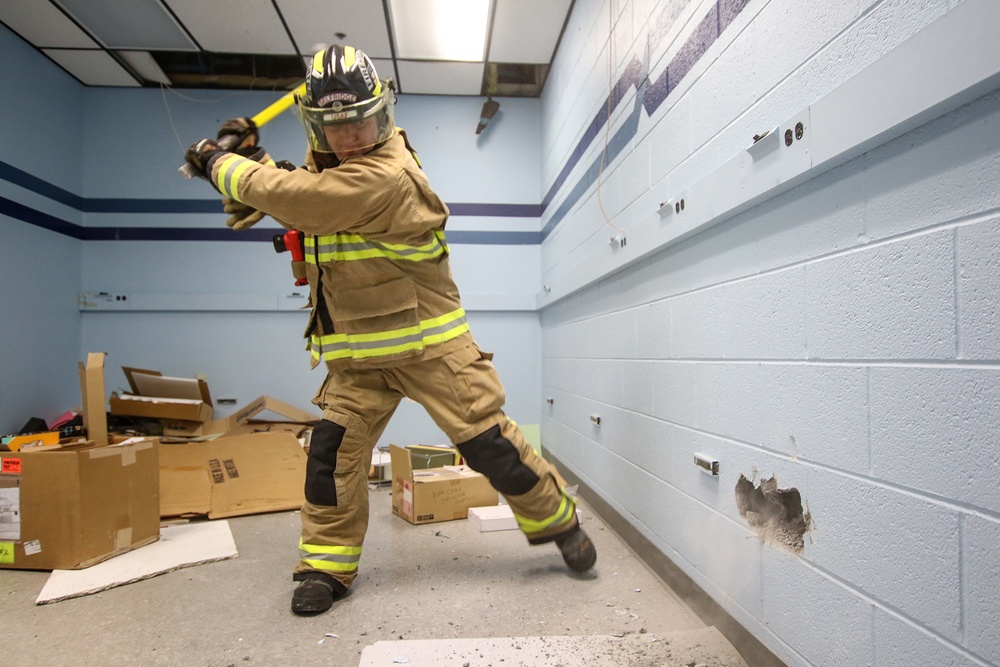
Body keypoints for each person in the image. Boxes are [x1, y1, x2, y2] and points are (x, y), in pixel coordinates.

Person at [184, 45, 596, 615]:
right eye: (337, 127)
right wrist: (260, 168)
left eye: (362, 121)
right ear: (317, 128)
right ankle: (325, 567)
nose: (352, 136)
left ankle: (559, 523)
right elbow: (304, 200)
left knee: (490, 446)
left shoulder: (391, 176)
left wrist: (221, 165)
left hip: (432, 348)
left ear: (384, 115)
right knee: (331, 458)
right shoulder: (331, 179)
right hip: (358, 360)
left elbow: (306, 201)